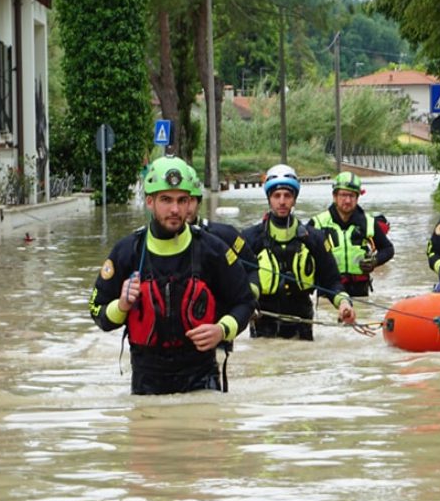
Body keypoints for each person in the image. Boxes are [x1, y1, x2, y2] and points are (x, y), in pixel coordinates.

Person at [88, 156, 256, 394]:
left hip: (201, 379)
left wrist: (222, 330)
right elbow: (97, 311)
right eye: (166, 200)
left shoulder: (213, 250)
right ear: (149, 201)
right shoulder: (127, 252)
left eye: (182, 200)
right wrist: (122, 305)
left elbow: (246, 301)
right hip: (147, 382)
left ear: (190, 202)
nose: (175, 209)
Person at [240, 164, 355, 339]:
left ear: (294, 199)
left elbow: (332, 281)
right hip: (263, 326)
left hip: (302, 324)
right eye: (276, 196)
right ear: (269, 198)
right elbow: (234, 282)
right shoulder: (250, 238)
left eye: (287, 195)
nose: (282, 201)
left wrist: (344, 303)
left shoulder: (315, 239)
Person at [308, 171, 394, 297]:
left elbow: (388, 249)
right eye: (343, 195)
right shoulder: (318, 223)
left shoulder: (368, 222)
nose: (347, 200)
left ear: (357, 197)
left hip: (360, 291)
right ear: (334, 196)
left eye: (352, 196)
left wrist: (375, 261)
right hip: (329, 292)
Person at [183, 166, 259, 299]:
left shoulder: (226, 234)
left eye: (190, 200)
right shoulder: (142, 244)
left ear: (199, 202)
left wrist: (250, 296)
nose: (183, 208)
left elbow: (252, 268)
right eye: (174, 200)